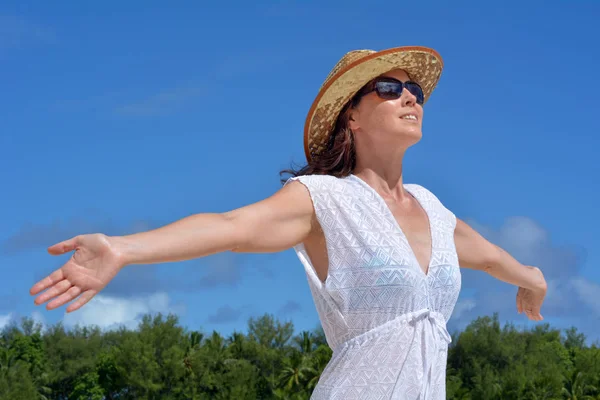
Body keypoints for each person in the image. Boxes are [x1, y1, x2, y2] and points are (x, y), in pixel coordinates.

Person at [29, 45, 547, 399]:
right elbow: (234, 226)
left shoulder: (434, 210)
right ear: (353, 115)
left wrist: (533, 280)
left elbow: (495, 258)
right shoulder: (325, 200)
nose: (410, 96)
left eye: (416, 92)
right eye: (389, 87)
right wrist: (124, 248)